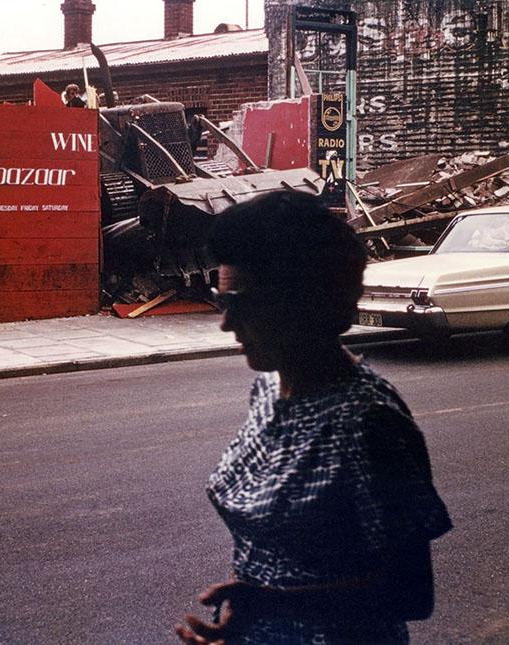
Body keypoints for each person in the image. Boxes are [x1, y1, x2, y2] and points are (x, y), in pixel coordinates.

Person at [175, 191, 452, 645]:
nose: (226, 326)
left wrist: (272, 599)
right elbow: (283, 554)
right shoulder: (266, 390)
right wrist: (249, 607)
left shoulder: (368, 422)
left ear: (301, 303)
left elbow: (412, 593)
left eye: (241, 305)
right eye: (222, 303)